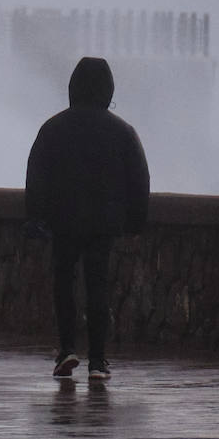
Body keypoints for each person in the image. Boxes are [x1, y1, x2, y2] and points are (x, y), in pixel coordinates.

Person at [25, 56, 149, 381]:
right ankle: (97, 361)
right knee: (98, 286)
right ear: (108, 90)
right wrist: (136, 220)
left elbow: (36, 175)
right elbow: (139, 180)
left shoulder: (52, 129)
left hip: (63, 220)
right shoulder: (123, 132)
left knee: (64, 284)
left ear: (73, 87)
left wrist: (35, 217)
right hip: (103, 224)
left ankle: (66, 350)